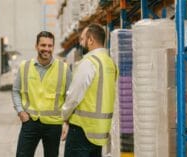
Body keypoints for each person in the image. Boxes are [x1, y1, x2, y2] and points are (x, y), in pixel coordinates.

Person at [61, 23, 118, 157]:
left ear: (90, 40)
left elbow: (74, 96)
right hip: (100, 133)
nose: (80, 43)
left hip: (82, 131)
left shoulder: (89, 62)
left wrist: (64, 116)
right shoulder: (110, 63)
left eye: (82, 39)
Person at [12, 31, 72, 157]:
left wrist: (67, 122)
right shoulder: (25, 67)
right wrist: (20, 111)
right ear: (36, 46)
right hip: (30, 122)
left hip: (54, 124)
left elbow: (70, 98)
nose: (47, 49)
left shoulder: (64, 69)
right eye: (43, 45)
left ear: (53, 47)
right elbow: (16, 91)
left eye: (50, 46)